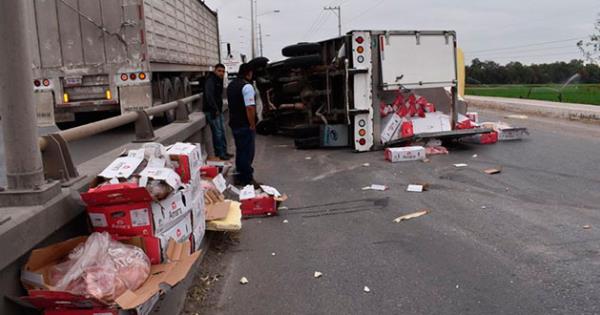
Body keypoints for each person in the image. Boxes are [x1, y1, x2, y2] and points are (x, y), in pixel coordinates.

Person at [227, 63, 258, 186]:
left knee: (240, 151)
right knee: (247, 152)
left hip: (235, 123)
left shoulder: (231, 85)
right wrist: (252, 124)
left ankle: (239, 176)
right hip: (245, 125)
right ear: (249, 73)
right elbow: (250, 107)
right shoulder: (247, 87)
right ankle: (247, 179)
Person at [203, 63, 232, 160]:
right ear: (215, 71)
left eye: (223, 72)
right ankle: (220, 154)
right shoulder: (211, 80)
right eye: (219, 71)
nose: (221, 73)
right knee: (217, 133)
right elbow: (209, 96)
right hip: (212, 111)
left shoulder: (218, 80)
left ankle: (224, 152)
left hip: (218, 111)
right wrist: (214, 109)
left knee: (222, 132)